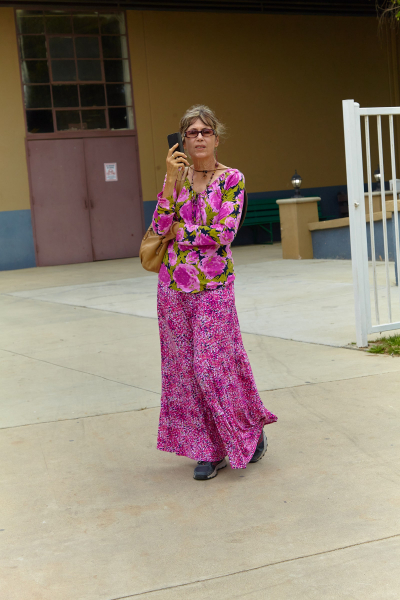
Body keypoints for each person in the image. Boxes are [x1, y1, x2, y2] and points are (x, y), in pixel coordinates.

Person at [152, 105, 277, 480]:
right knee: (184, 371)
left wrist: (182, 234)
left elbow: (224, 232)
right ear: (183, 141)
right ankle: (207, 450)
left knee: (212, 366)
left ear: (217, 138)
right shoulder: (176, 178)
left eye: (206, 131)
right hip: (173, 286)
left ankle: (247, 429)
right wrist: (171, 183)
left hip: (214, 287)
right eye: (192, 132)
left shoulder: (232, 179)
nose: (200, 137)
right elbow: (159, 225)